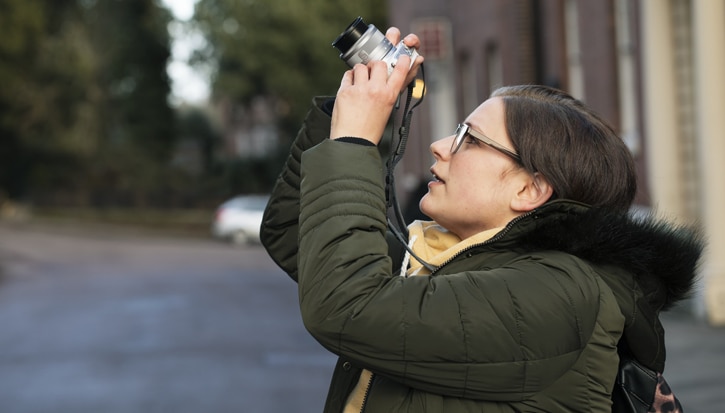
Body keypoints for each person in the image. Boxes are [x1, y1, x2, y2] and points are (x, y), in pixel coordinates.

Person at [260, 27, 704, 412]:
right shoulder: (447, 256)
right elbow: (296, 231)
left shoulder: (561, 292)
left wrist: (355, 140)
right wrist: (349, 107)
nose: (439, 145)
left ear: (530, 189)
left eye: (467, 139)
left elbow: (346, 306)